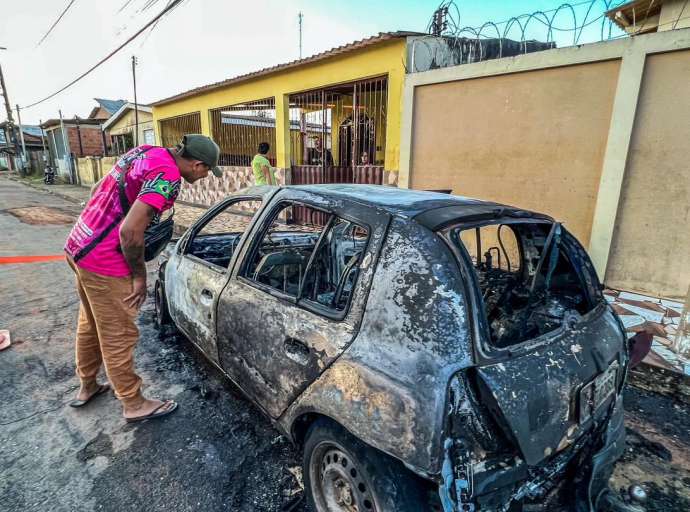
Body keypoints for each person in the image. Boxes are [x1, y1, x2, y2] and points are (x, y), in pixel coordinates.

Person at [64, 134, 222, 423]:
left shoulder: (145, 152)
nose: (206, 175)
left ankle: (87, 385)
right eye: (208, 170)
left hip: (78, 245)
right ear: (198, 165)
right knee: (118, 334)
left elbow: (99, 187)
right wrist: (139, 276)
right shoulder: (168, 176)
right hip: (104, 260)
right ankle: (133, 403)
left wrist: (97, 222)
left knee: (90, 322)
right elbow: (129, 232)